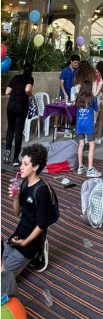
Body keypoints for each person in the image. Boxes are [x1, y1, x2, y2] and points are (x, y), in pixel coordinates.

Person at [2, 144, 54, 283]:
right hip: (18, 235)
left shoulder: (41, 191)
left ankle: (37, 253)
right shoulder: (24, 183)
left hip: (30, 243)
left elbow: (42, 224)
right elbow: (17, 212)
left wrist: (25, 243)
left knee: (2, 278)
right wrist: (16, 197)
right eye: (21, 163)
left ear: (36, 167)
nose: (21, 167)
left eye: (25, 164)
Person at [3, 63, 34, 166]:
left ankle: (7, 150)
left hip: (11, 106)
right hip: (21, 107)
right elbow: (27, 89)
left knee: (10, 129)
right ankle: (16, 158)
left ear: (22, 69)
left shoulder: (15, 77)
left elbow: (7, 91)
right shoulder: (30, 79)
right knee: (18, 131)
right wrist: (30, 96)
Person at [74, 81, 101, 178]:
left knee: (81, 145)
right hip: (88, 125)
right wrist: (100, 103)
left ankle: (80, 167)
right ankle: (90, 168)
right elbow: (96, 109)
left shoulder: (78, 98)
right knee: (92, 145)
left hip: (79, 124)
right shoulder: (92, 98)